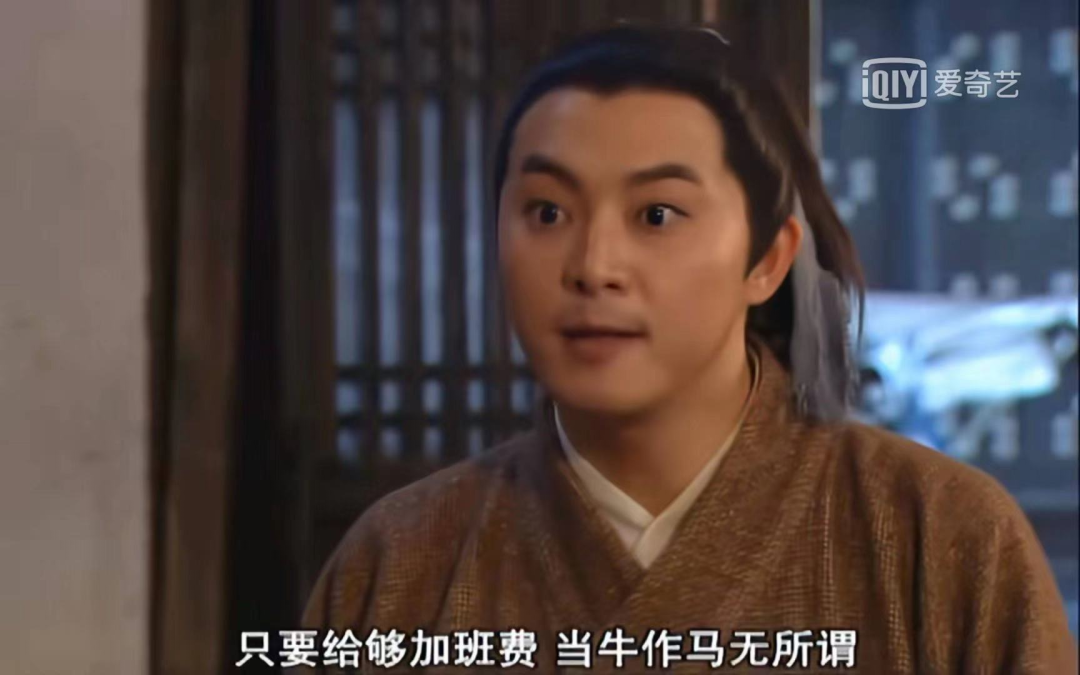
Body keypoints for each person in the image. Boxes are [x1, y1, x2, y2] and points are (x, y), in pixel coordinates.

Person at [302, 25, 1076, 673]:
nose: (593, 266)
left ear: (768, 258)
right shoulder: (400, 561)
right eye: (547, 212)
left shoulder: (940, 536)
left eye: (657, 215)